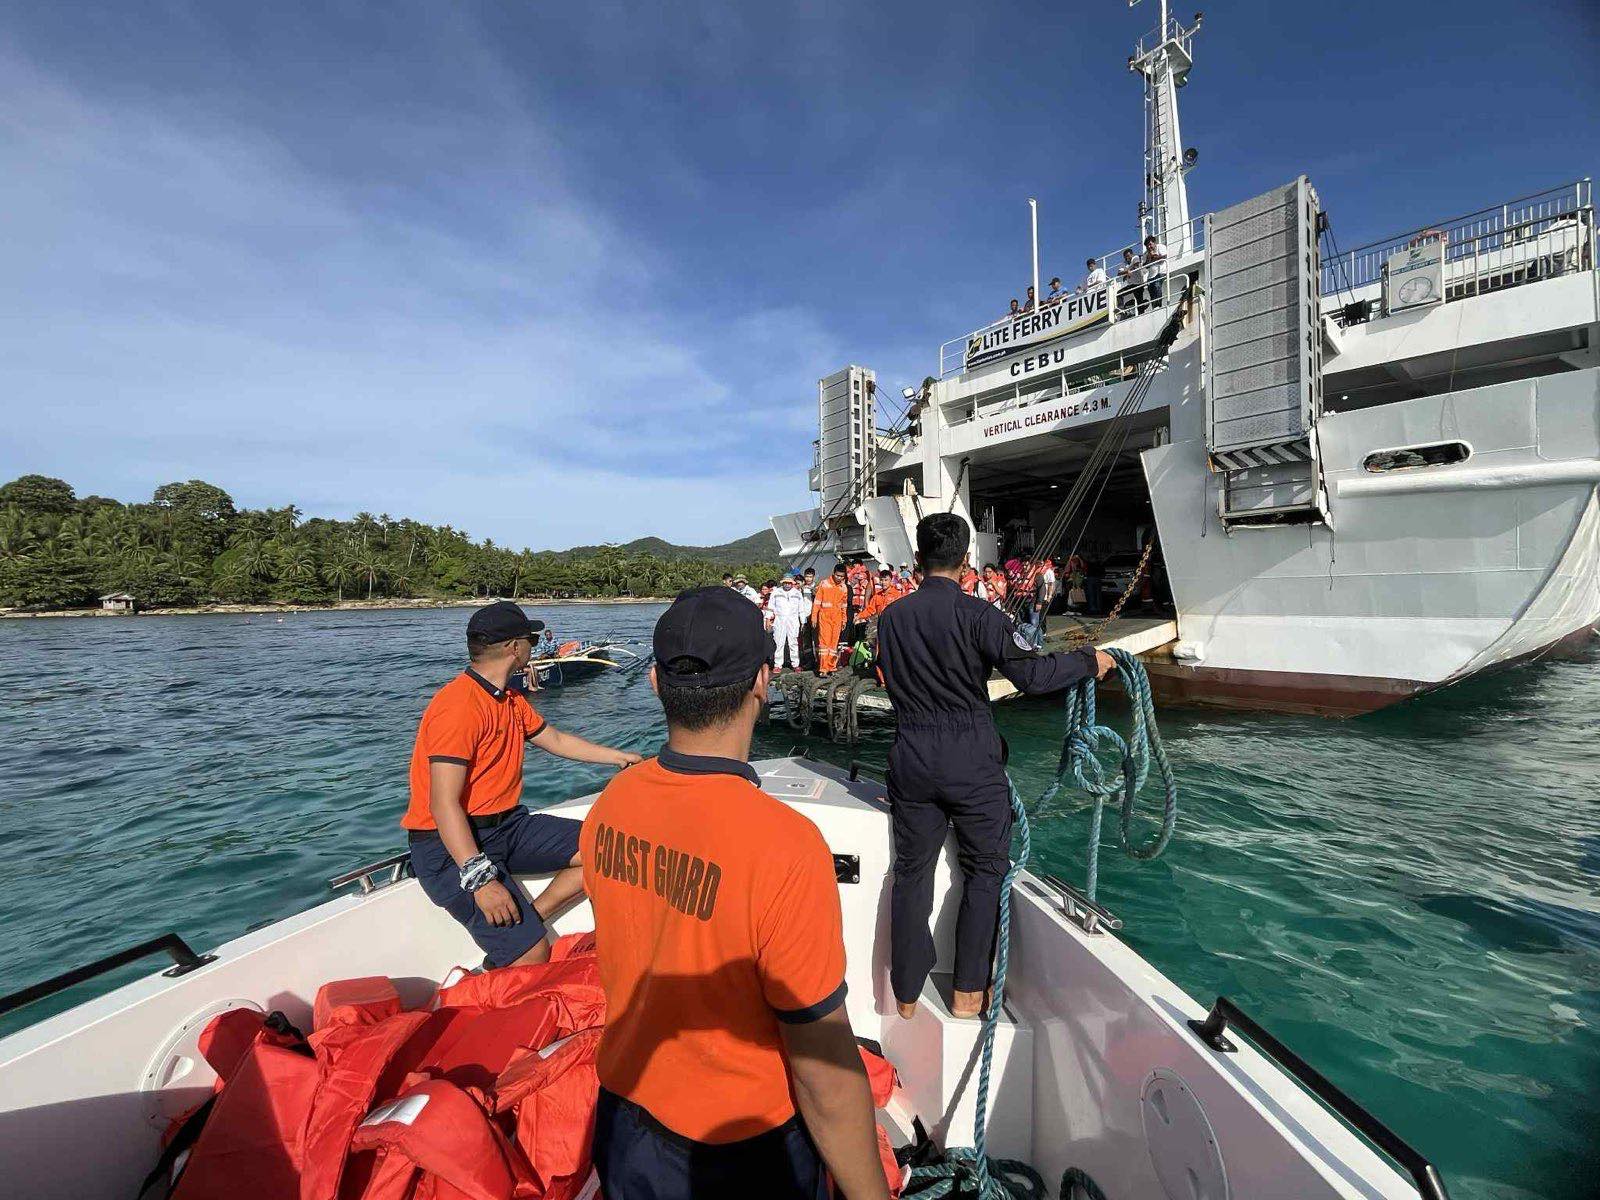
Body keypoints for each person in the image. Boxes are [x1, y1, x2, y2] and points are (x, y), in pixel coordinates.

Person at [581, 587, 888, 1200]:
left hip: (623, 1118)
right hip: (740, 1148)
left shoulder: (613, 803)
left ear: (653, 683)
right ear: (763, 683)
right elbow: (821, 1063)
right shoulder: (785, 846)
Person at [876, 516, 1114, 1018]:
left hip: (912, 757)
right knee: (985, 870)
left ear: (919, 559)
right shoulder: (981, 616)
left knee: (912, 872)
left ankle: (905, 995)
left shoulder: (891, 619)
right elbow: (1033, 676)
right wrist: (1089, 662)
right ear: (966, 562)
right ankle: (967, 993)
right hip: (971, 761)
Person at [403, 601, 641, 969]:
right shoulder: (459, 707)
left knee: (607, 851)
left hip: (507, 827)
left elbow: (556, 740)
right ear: (515, 648)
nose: (533, 645)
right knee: (532, 953)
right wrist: (481, 881)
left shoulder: (510, 699)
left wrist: (620, 757)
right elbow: (443, 804)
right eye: (530, 638)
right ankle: (505, 959)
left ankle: (528, 919)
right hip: (446, 844)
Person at [811, 564, 849, 674]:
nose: (839, 578)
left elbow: (844, 605)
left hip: (837, 618)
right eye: (838, 576)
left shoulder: (844, 587)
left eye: (842, 576)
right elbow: (817, 602)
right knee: (824, 643)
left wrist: (844, 620)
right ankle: (823, 668)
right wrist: (814, 617)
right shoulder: (824, 584)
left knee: (833, 644)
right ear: (833, 573)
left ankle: (831, 667)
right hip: (825, 617)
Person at [769, 574, 811, 671]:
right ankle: (777, 665)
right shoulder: (776, 592)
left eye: (789, 583)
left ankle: (795, 664)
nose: (787, 585)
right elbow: (771, 608)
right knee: (779, 642)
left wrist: (803, 622)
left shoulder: (797, 593)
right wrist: (768, 619)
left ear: (792, 583)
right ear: (782, 583)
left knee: (793, 643)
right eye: (785, 583)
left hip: (793, 620)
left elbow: (801, 610)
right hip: (779, 620)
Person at [1142, 235, 1168, 309]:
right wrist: (1149, 258)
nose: (1149, 247)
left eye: (1150, 244)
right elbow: (1145, 266)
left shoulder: (1160, 247)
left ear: (1154, 243)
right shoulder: (1146, 254)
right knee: (1151, 291)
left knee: (1157, 286)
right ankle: (1154, 307)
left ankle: (1158, 306)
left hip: (1161, 272)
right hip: (1150, 276)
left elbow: (1164, 257)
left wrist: (1154, 257)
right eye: (1147, 246)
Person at [1116, 247, 1142, 315]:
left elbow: (1136, 265)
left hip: (1139, 283)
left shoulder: (1135, 257)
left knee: (1139, 300)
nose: (1127, 258)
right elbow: (1119, 273)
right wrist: (1127, 271)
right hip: (1131, 284)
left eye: (1128, 256)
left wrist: (1127, 270)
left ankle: (1141, 313)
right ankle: (1121, 309)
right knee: (1119, 293)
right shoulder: (1124, 263)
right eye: (1125, 257)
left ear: (1132, 254)